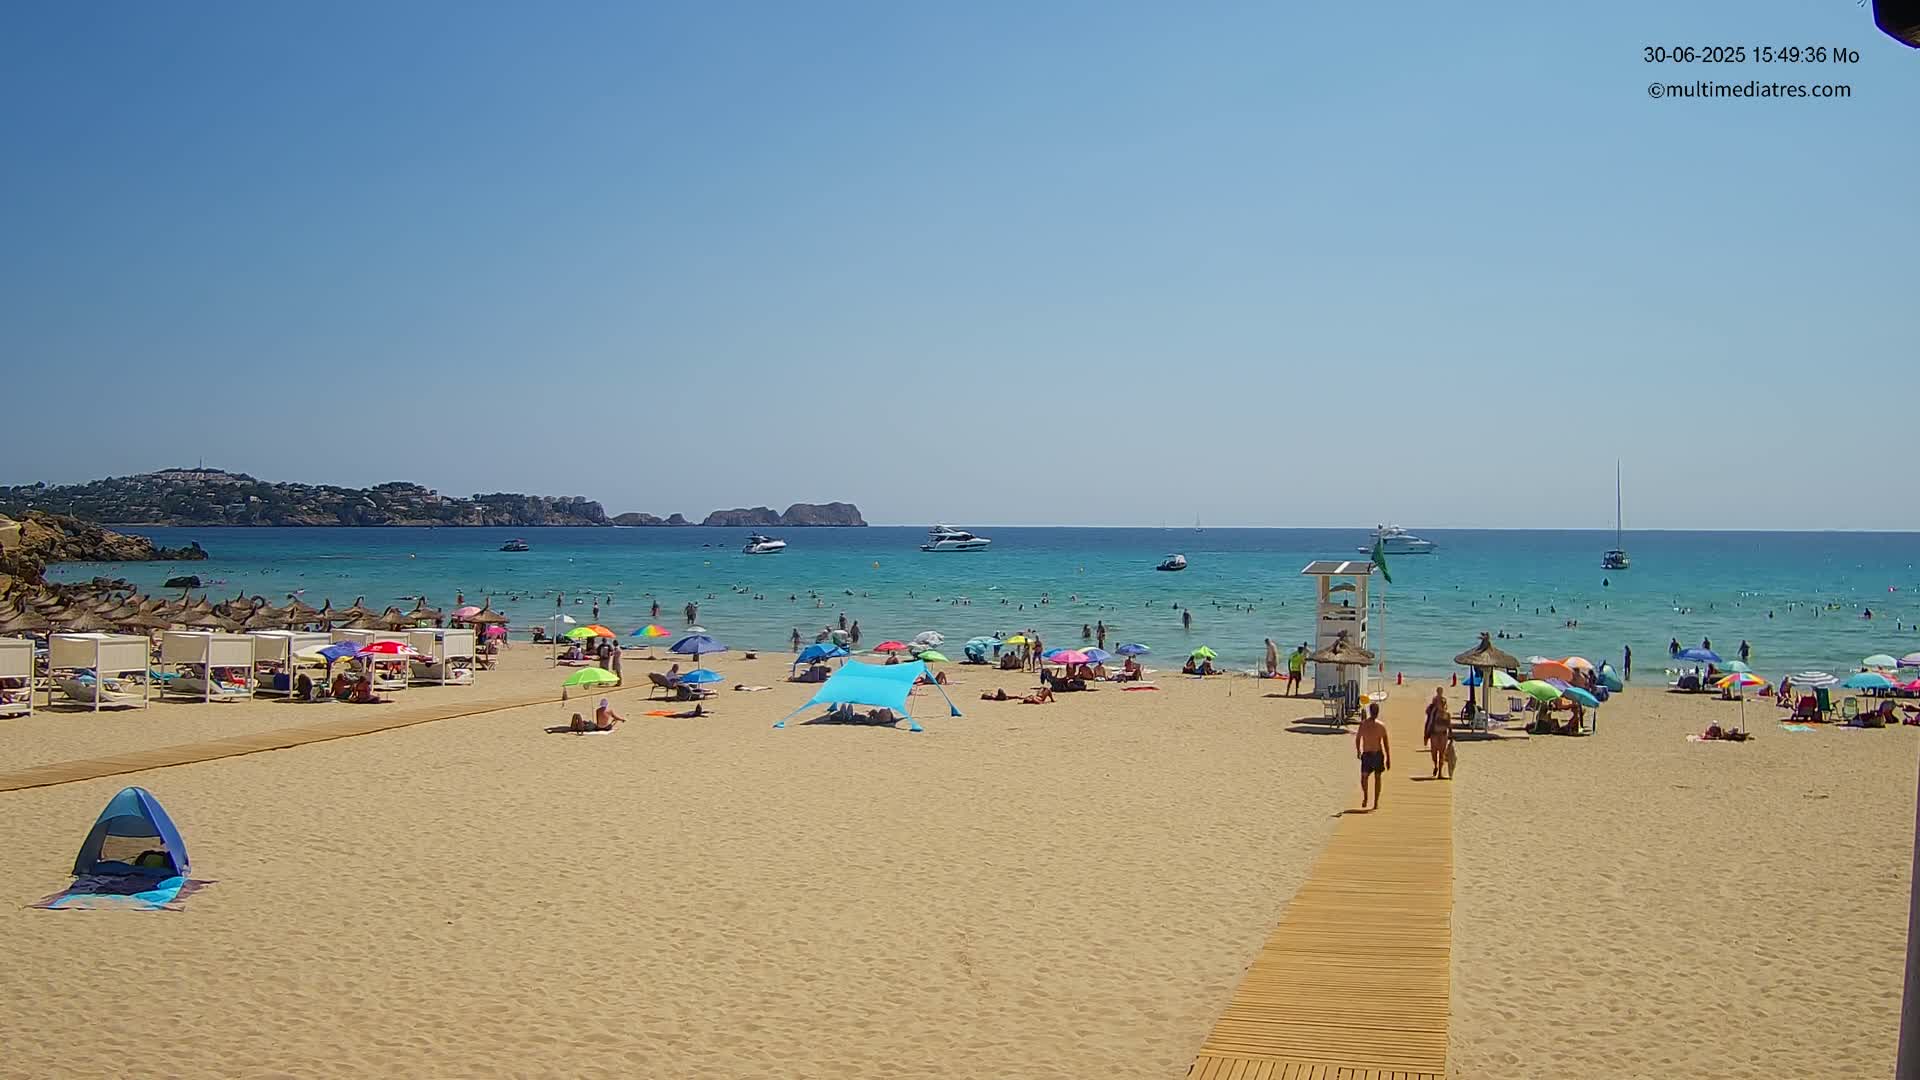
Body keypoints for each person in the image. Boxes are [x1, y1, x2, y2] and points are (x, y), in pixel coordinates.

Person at [1355, 702, 1390, 810]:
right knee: (1364, 778)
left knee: (1377, 777)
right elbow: (1358, 738)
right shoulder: (1364, 724)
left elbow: (1385, 743)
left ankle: (1376, 802)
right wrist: (1358, 750)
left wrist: (1388, 758)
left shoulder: (1380, 726)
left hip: (1377, 754)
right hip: (1368, 754)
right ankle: (1366, 797)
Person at [1424, 687, 1452, 779]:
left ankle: (1440, 773)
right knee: (1434, 753)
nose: (1442, 705)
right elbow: (1428, 722)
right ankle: (1435, 765)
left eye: (1443, 704)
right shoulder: (1433, 713)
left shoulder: (1447, 714)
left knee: (1442, 754)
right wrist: (1426, 735)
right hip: (1434, 734)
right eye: (1440, 704)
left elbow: (1449, 726)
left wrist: (1451, 736)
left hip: (1443, 735)